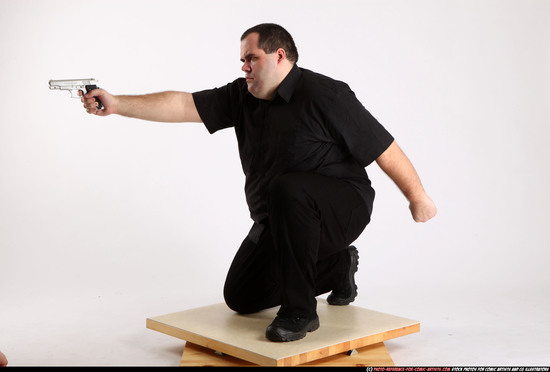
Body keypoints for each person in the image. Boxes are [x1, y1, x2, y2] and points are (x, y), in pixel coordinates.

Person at [81, 23, 437, 342]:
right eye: (242, 60)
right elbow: (183, 105)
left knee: (288, 187)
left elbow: (383, 148)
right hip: (280, 218)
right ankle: (336, 266)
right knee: (241, 296)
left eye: (251, 58)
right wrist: (116, 104)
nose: (244, 67)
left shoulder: (326, 95)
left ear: (279, 55)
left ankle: (300, 312)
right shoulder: (242, 97)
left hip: (343, 207)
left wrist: (417, 197)